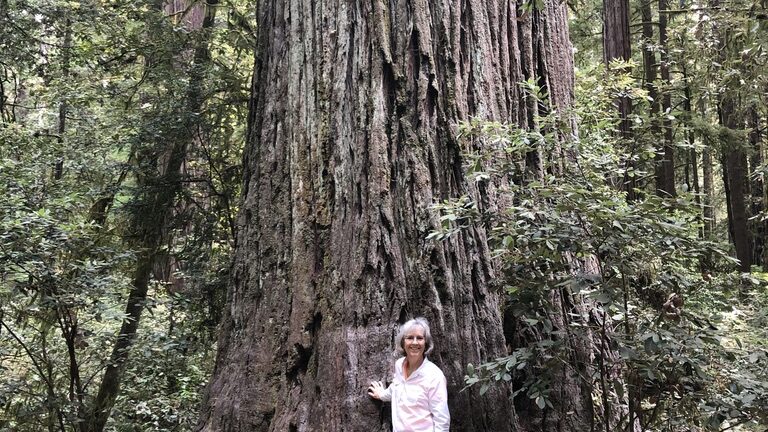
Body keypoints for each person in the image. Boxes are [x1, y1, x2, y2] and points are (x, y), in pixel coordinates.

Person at [367, 317, 450, 431]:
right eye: (410, 337)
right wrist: (381, 394)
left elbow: (442, 421)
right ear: (403, 342)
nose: (415, 342)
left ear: (425, 343)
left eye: (420, 338)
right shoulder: (399, 365)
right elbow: (396, 389)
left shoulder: (434, 376)